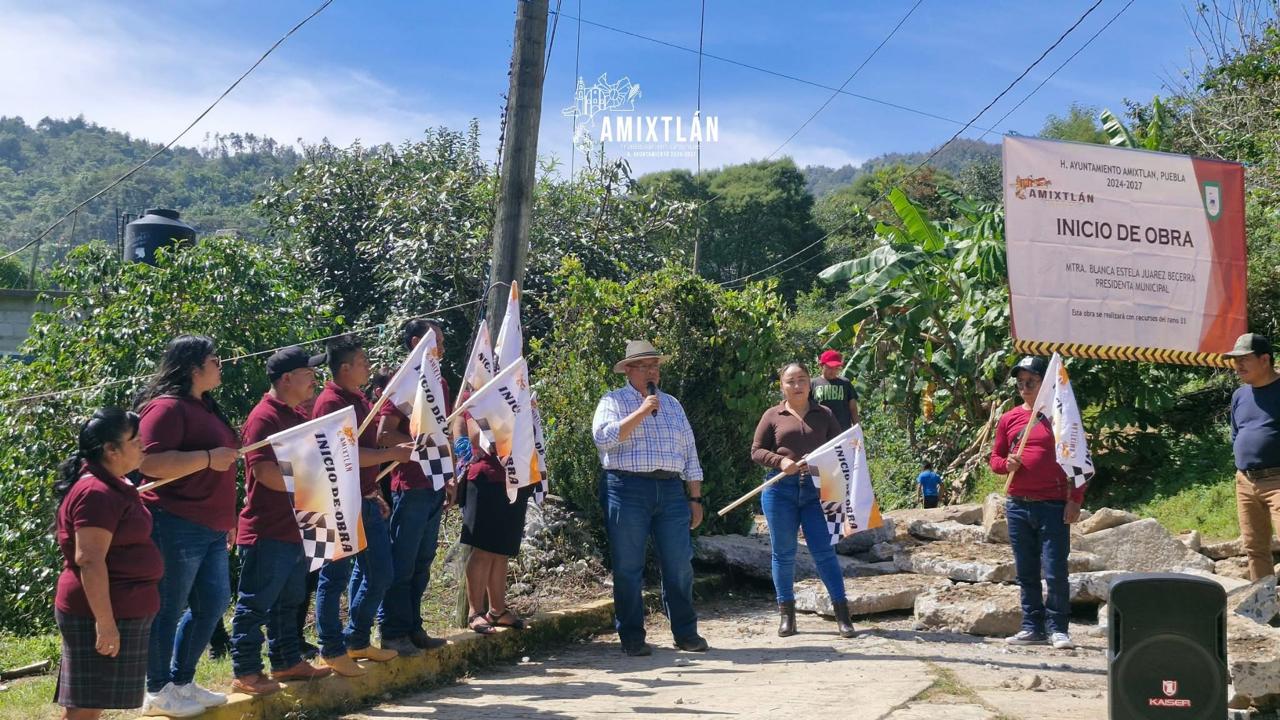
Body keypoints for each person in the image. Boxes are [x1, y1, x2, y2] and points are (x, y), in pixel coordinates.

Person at [136, 335, 240, 715]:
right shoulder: (165, 408)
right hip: (175, 522)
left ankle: (183, 681)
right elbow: (149, 464)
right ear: (194, 367)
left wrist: (227, 520)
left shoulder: (206, 406)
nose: (221, 364)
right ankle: (157, 689)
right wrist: (209, 457)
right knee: (169, 606)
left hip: (212, 525)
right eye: (215, 359)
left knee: (212, 602)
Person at [592, 340, 708, 656]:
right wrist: (641, 412)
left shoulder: (672, 404)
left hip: (670, 490)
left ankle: (685, 633)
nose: (652, 371)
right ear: (628, 370)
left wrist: (694, 497)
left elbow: (689, 453)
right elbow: (603, 439)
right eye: (645, 366)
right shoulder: (612, 401)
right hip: (627, 489)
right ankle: (632, 637)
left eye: (655, 365)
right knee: (629, 567)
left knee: (679, 565)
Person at [228, 347, 332, 695]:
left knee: (290, 601)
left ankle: (287, 661)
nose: (314, 379)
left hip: (295, 528)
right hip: (266, 530)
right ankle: (246, 670)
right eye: (307, 372)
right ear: (286, 379)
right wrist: (309, 476)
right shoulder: (263, 417)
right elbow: (264, 472)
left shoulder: (299, 417)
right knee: (255, 603)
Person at [311, 334, 413, 676]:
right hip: (338, 500)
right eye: (362, 362)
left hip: (366, 499)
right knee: (334, 576)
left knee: (381, 573)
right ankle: (331, 646)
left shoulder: (357, 399)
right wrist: (390, 455)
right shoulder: (330, 403)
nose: (368, 366)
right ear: (344, 368)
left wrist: (374, 490)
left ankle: (357, 639)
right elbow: (344, 455)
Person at [53, 408, 163, 719]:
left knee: (88, 705)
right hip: (97, 612)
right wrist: (105, 624)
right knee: (85, 709)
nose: (143, 445)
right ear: (110, 450)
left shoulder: (114, 483)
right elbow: (89, 560)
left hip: (119, 608)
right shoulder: (95, 493)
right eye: (135, 440)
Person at [751, 362, 854, 638]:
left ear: (810, 383)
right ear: (781, 385)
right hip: (779, 491)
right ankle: (787, 617)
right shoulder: (773, 415)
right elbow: (757, 451)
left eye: (802, 380)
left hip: (817, 491)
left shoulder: (825, 414)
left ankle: (843, 616)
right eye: (790, 381)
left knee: (824, 552)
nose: (797, 386)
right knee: (783, 554)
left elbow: (841, 448)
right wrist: (780, 460)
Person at [990, 356, 1084, 651]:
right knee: (1026, 570)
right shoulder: (1009, 419)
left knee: (1055, 569)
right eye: (1020, 382)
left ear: (1046, 384)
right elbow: (995, 459)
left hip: (1053, 505)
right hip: (1018, 504)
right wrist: (1007, 464)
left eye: (1031, 381)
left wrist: (1075, 501)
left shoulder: (1062, 418)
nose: (1024, 387)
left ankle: (1058, 628)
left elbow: (1079, 462)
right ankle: (1032, 626)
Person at [376, 320, 453, 654]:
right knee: (403, 563)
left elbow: (443, 437)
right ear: (415, 343)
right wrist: (418, 446)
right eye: (436, 340)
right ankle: (393, 631)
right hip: (410, 486)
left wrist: (449, 475)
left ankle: (413, 626)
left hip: (435, 484)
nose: (442, 347)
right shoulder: (405, 383)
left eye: (442, 341)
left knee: (423, 562)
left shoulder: (441, 384)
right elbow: (383, 434)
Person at [458, 385, 535, 635]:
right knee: (482, 548)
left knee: (502, 549)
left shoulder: (518, 394)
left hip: (515, 477)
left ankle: (497, 610)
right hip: (485, 478)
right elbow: (474, 437)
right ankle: (475, 612)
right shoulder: (477, 397)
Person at [1226, 333, 1280, 581]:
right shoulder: (1240, 395)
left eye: (1245, 358)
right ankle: (1265, 612)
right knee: (1255, 549)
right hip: (1245, 482)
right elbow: (1237, 433)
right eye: (1235, 359)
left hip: (1277, 480)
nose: (1238, 365)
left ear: (1265, 359)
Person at [811, 349, 860, 431]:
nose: (833, 371)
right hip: (821, 431)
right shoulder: (813, 384)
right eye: (829, 367)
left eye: (836, 368)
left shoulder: (845, 383)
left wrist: (858, 429)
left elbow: (853, 409)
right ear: (821, 365)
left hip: (843, 431)